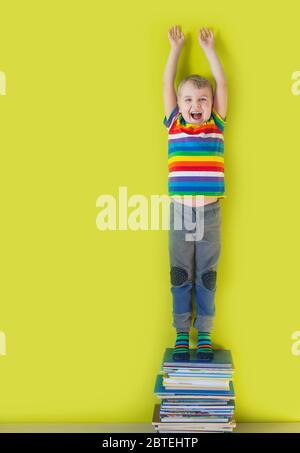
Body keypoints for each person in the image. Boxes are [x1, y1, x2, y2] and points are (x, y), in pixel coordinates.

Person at [162, 25, 228, 361]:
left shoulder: (216, 122)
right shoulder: (174, 122)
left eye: (203, 98)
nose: (196, 104)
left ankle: (204, 331)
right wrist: (176, 48)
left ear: (212, 103)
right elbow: (167, 85)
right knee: (180, 274)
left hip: (210, 213)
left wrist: (210, 49)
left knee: (206, 275)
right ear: (180, 103)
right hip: (179, 212)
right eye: (188, 99)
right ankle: (180, 331)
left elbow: (222, 83)